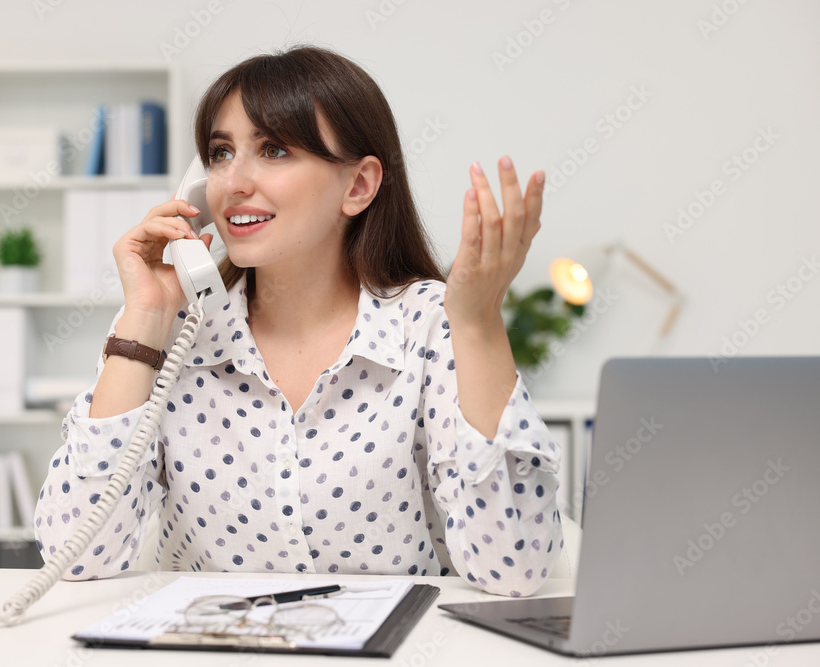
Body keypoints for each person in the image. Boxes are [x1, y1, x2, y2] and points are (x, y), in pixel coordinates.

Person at [35, 45, 563, 597]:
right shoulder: (170, 330)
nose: (232, 183)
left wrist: (477, 325)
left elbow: (514, 570)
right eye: (220, 153)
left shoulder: (432, 323)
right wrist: (144, 317)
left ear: (357, 186)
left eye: (275, 150)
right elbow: (75, 556)